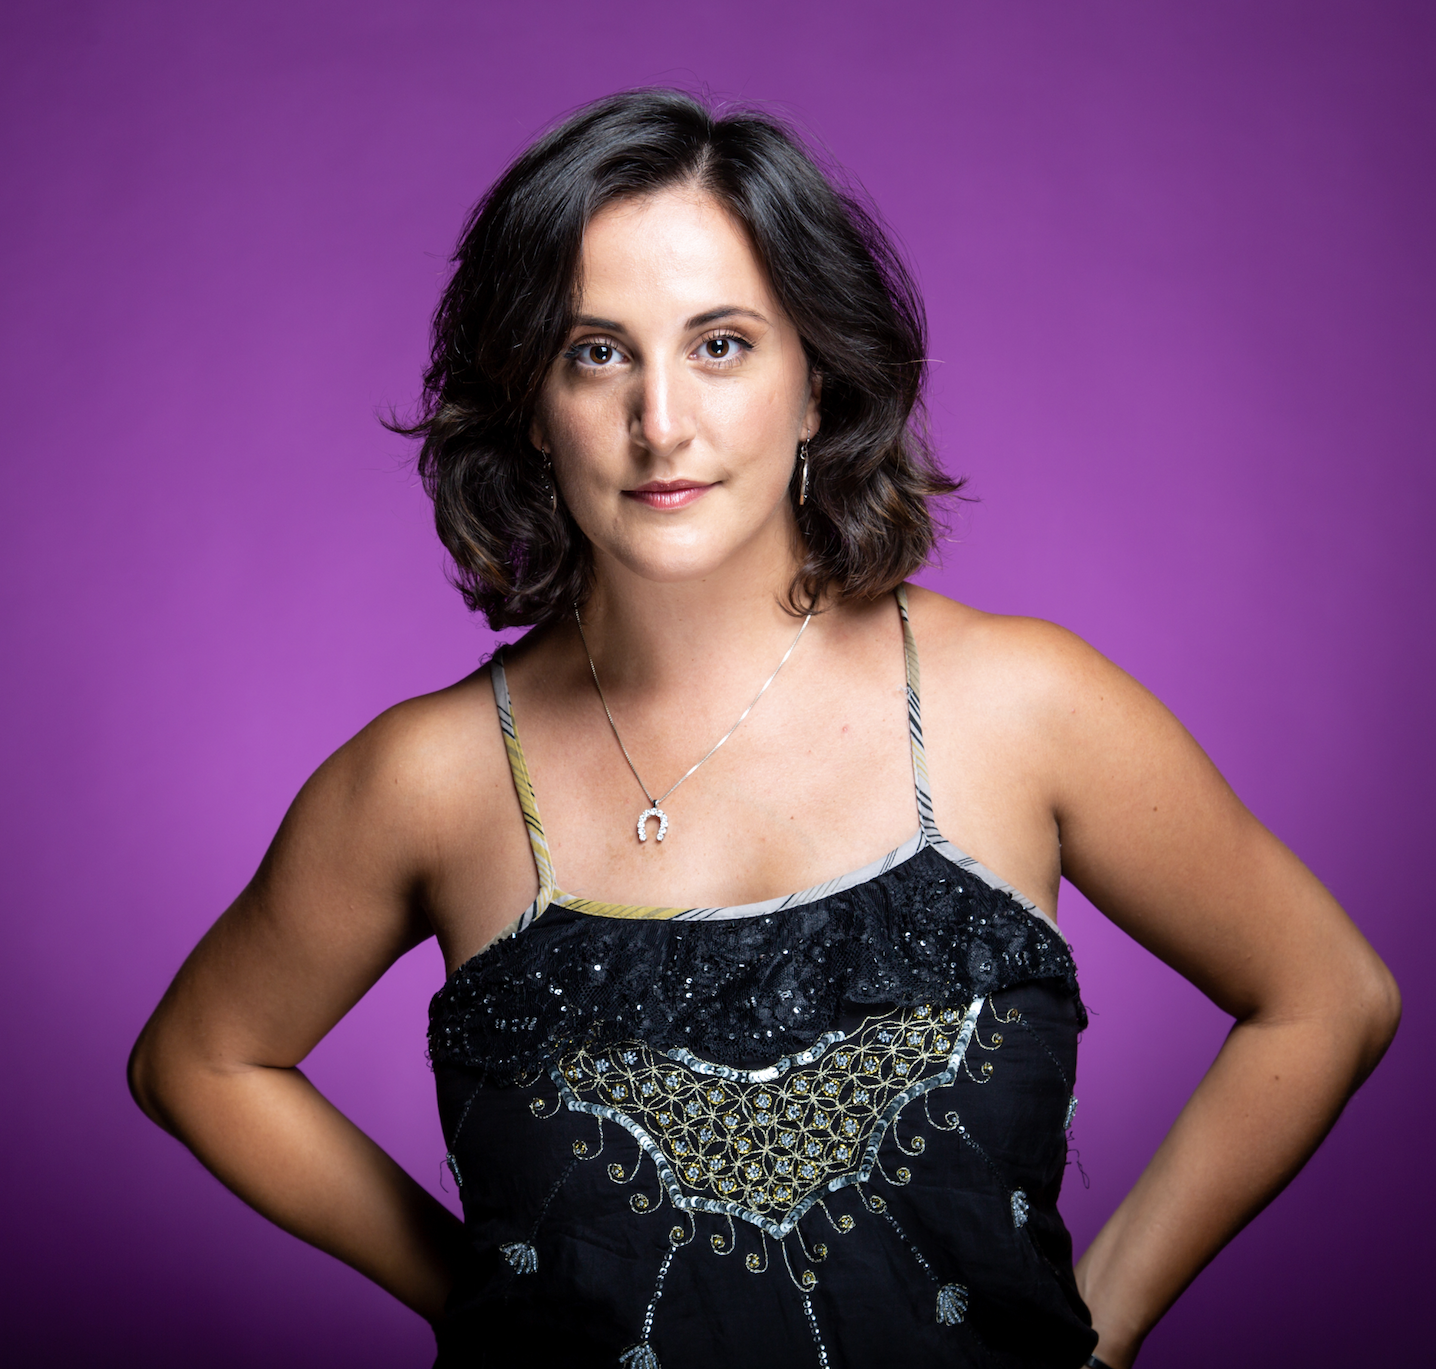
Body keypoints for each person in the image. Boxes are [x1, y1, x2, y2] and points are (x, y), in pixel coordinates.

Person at [128, 89, 1399, 1368]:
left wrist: (1094, 1326)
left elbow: (1325, 994)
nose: (661, 422)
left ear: (814, 385)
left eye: (720, 344)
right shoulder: (428, 778)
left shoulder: (1026, 707)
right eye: (596, 351)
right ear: (530, 402)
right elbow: (203, 1058)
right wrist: (479, 1298)